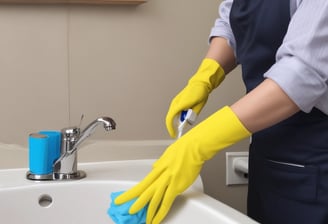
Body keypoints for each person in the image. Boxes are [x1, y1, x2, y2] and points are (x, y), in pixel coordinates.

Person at [114, 0, 328, 223]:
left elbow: (301, 74)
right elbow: (231, 24)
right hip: (268, 153)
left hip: (315, 158)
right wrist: (205, 77)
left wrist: (199, 143)